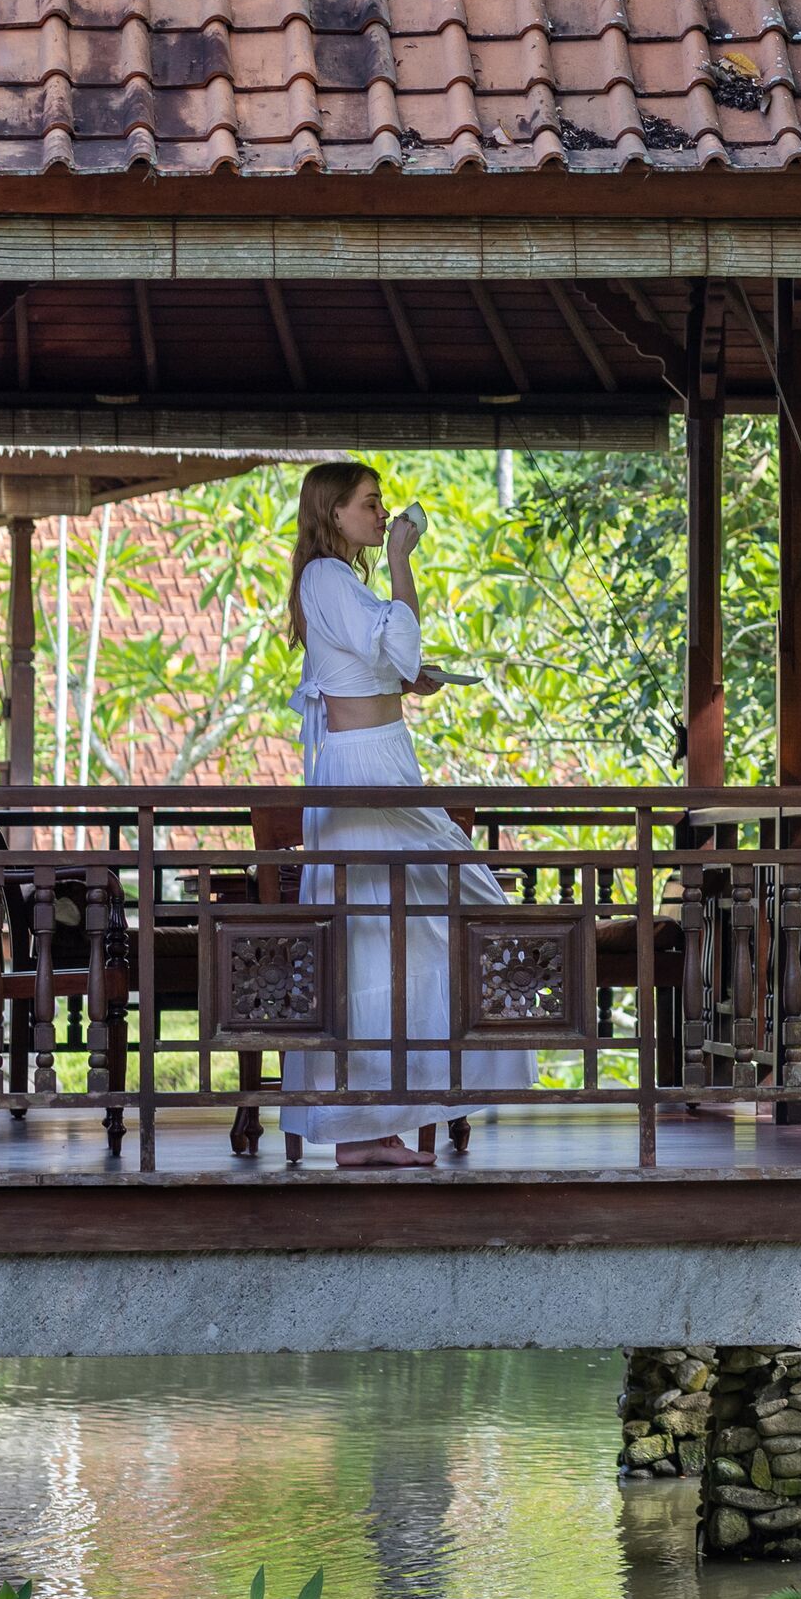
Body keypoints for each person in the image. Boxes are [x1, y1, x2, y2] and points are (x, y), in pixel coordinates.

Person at [279, 462, 534, 1168]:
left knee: (404, 932)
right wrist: (399, 559)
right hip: (365, 769)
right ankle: (361, 1123)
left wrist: (404, 678)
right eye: (369, 504)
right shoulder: (327, 577)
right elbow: (401, 639)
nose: (382, 513)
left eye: (381, 504)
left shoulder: (338, 582)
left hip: (382, 757)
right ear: (333, 513)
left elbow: (386, 656)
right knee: (387, 928)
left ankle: (377, 1124)